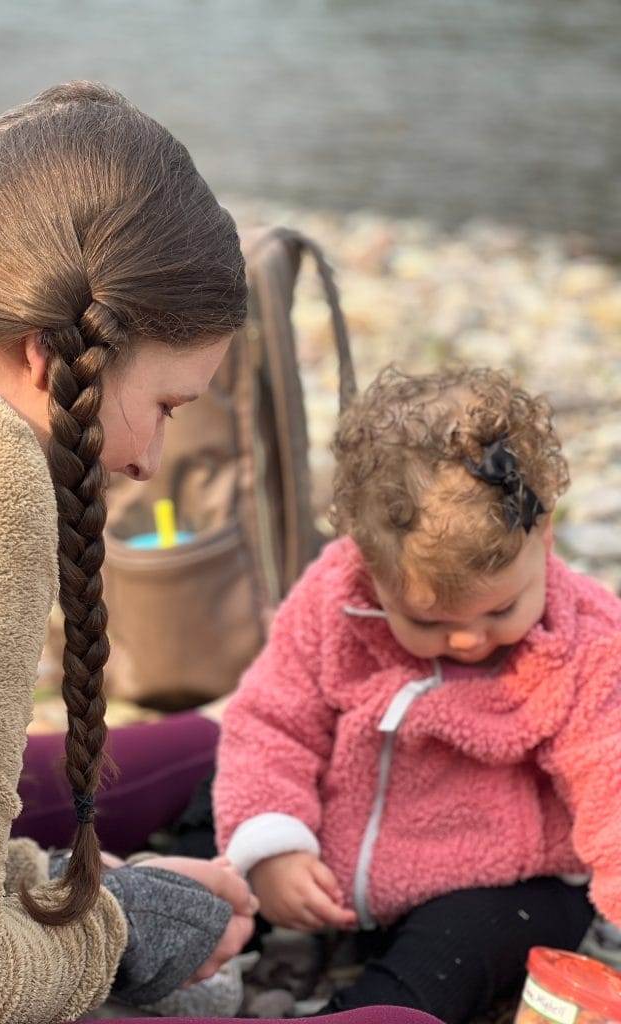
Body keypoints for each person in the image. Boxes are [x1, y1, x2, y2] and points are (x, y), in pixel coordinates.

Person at [0, 82, 258, 1024]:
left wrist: (43, 889)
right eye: (162, 407)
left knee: (201, 745)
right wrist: (114, 930)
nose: (148, 463)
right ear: (49, 354)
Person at [215, 365, 621, 1024]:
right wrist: (274, 844)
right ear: (369, 569)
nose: (468, 642)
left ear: (543, 539)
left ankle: (367, 1010)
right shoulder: (334, 601)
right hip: (336, 866)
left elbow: (611, 776)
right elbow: (271, 723)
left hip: (500, 883)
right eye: (429, 622)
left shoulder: (583, 644)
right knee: (226, 844)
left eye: (500, 611)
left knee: (463, 944)